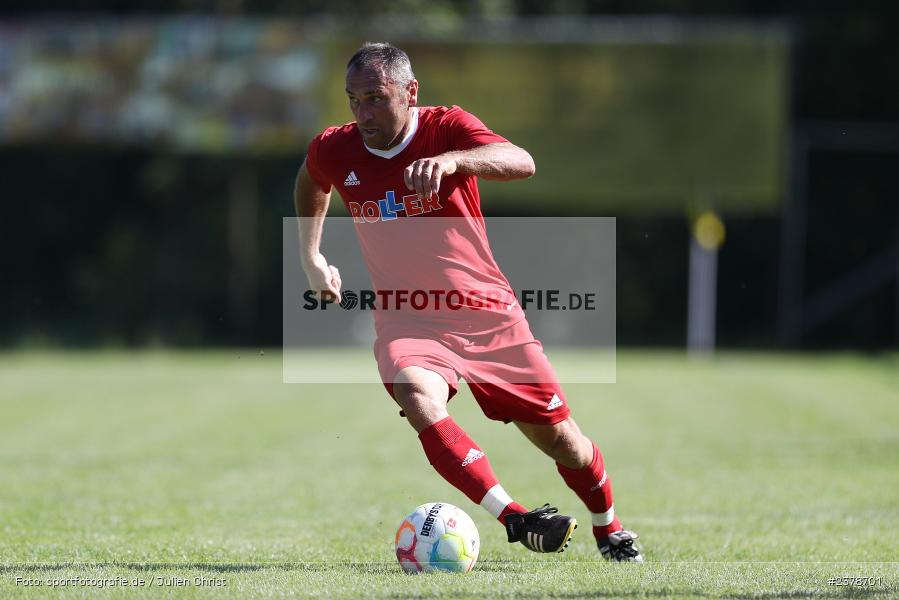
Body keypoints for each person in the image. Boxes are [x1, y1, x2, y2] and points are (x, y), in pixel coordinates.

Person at [294, 42, 642, 562]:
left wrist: (456, 159)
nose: (363, 113)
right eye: (353, 100)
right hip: (407, 316)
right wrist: (311, 255)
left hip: (487, 314)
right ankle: (514, 517)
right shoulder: (336, 147)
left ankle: (608, 528)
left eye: (375, 98)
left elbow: (520, 161)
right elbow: (311, 180)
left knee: (562, 441)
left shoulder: (446, 127)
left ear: (410, 92)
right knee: (415, 394)